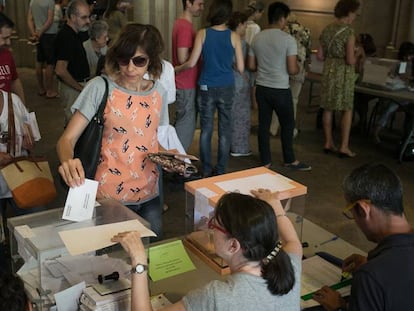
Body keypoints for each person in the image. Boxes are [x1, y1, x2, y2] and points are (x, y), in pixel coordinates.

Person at [57, 23, 168, 240]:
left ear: (152, 61)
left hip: (150, 192)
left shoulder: (158, 93)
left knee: (150, 258)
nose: (129, 68)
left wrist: (172, 158)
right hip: (108, 195)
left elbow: (149, 140)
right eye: (124, 60)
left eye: (139, 61)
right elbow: (67, 139)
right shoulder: (101, 88)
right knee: (111, 263)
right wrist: (68, 161)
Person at [112, 190, 302, 311]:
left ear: (233, 245)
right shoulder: (288, 267)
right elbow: (294, 242)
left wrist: (139, 263)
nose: (209, 228)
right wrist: (277, 209)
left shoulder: (217, 296)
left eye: (214, 225)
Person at [312, 163, 414, 310]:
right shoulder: (375, 271)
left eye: (350, 213)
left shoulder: (370, 278)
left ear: (362, 209)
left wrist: (338, 308)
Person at [175, 0, 244, 177]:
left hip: (206, 85)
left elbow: (191, 62)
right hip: (226, 85)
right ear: (228, 16)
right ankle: (220, 169)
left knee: (206, 130)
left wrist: (172, 70)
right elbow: (242, 68)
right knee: (224, 129)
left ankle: (205, 169)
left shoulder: (202, 33)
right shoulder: (234, 36)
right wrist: (229, 64)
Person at [248, 1, 311, 171]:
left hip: (262, 87)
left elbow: (252, 66)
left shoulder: (257, 38)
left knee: (263, 125)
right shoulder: (288, 40)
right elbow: (292, 69)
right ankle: (289, 159)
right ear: (282, 19)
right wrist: (298, 65)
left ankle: (265, 161)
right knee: (288, 124)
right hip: (280, 89)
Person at [318, 0, 362, 158]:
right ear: (349, 12)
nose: (356, 16)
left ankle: (328, 142)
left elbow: (320, 56)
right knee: (346, 108)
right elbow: (350, 60)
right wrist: (358, 53)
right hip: (343, 74)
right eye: (355, 13)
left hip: (329, 71)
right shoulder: (349, 32)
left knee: (328, 108)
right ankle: (344, 146)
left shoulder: (327, 29)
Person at [270, 14, 311, 138]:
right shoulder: (306, 30)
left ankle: (273, 128)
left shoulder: (283, 30)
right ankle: (289, 129)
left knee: (278, 97)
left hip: (283, 65)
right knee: (293, 99)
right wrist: (307, 67)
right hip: (298, 66)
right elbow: (308, 51)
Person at [171, 0, 204, 152]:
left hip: (185, 83)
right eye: (199, 4)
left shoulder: (183, 24)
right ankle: (178, 164)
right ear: (188, 3)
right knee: (186, 125)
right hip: (186, 83)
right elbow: (183, 58)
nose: (201, 8)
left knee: (184, 123)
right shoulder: (184, 27)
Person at [55, 0, 91, 123]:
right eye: (84, 17)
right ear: (72, 17)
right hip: (72, 88)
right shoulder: (66, 36)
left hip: (76, 86)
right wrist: (80, 88)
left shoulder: (75, 34)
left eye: (88, 16)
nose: (88, 21)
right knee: (74, 126)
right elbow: (60, 70)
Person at [372, 41, 414, 144]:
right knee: (390, 105)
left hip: (408, 95)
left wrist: (409, 78)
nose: (408, 58)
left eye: (410, 55)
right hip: (400, 93)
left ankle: (406, 137)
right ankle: (377, 131)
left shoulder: (410, 63)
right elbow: (399, 76)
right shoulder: (402, 63)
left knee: (391, 106)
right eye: (406, 56)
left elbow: (405, 77)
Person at [228, 11, 252, 157]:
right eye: (245, 25)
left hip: (227, 80)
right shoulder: (241, 42)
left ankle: (230, 144)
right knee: (241, 115)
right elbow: (240, 64)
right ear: (239, 24)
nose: (246, 28)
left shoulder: (226, 39)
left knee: (230, 114)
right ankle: (240, 147)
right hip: (240, 81)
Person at [27, 0, 59, 99]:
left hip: (37, 34)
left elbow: (29, 19)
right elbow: (50, 20)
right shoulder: (50, 1)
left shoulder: (33, 1)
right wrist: (40, 32)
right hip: (50, 34)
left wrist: (34, 33)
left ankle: (41, 88)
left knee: (39, 60)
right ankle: (49, 90)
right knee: (50, 63)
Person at [0, 13, 25, 104]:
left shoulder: (7, 54)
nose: (8, 42)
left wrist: (22, 106)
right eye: (5, 38)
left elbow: (14, 80)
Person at [244, 1, 265, 110]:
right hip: (250, 56)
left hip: (241, 55)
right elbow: (255, 44)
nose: (261, 16)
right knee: (252, 84)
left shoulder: (243, 23)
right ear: (257, 12)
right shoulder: (256, 27)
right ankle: (254, 105)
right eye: (261, 13)